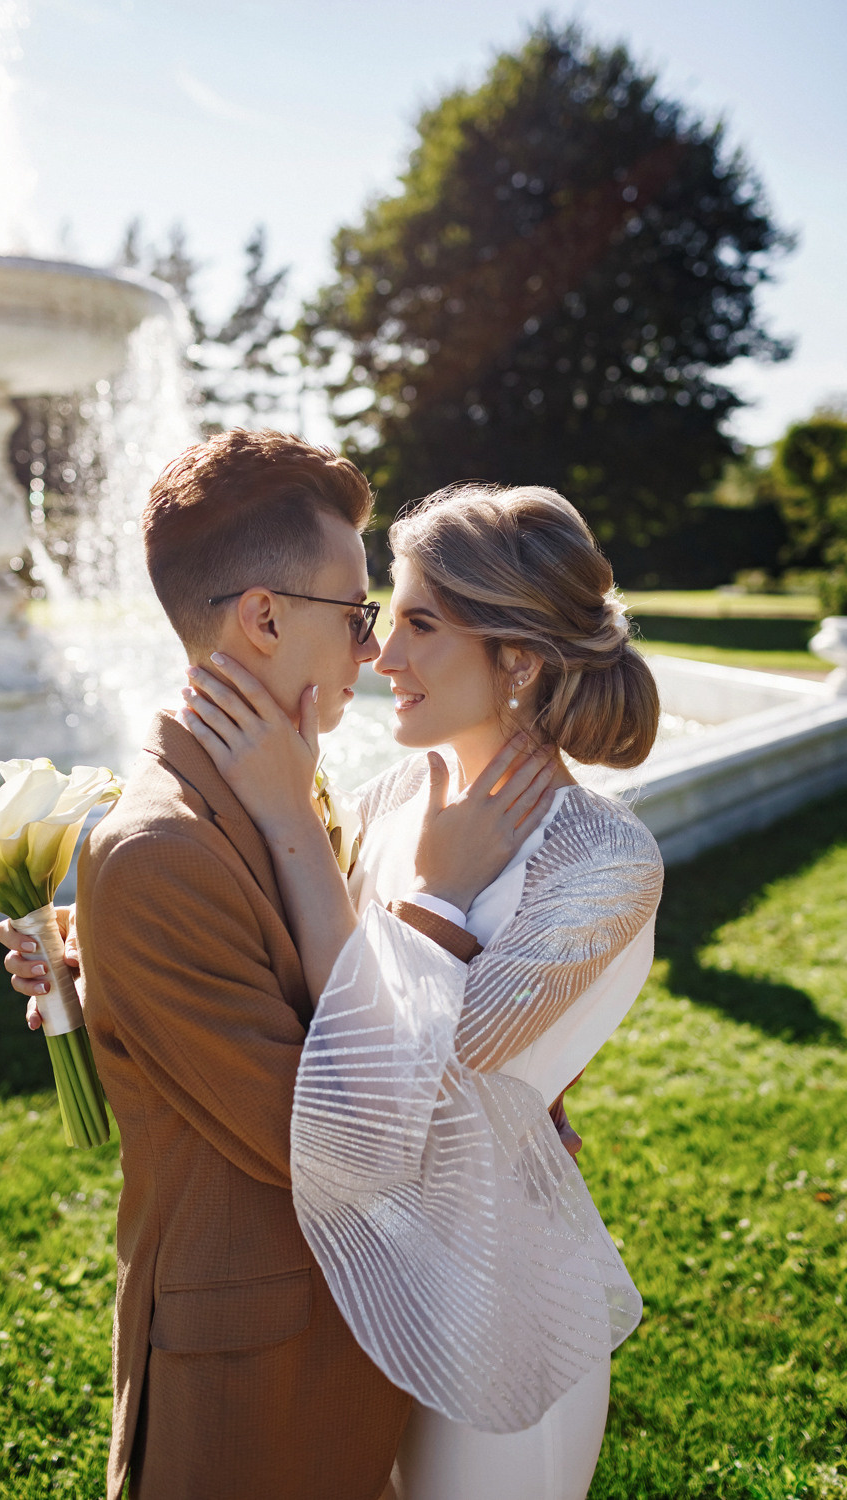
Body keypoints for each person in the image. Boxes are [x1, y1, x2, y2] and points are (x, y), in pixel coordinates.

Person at [0, 432, 564, 1500]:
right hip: (249, 1383)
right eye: (356, 618)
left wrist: (96, 957)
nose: (371, 651)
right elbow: (344, 1150)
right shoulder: (161, 849)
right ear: (263, 617)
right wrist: (438, 901)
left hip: (348, 1340)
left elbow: (304, 972)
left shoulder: (279, 789)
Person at [176, 482, 665, 1500]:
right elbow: (280, 962)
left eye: (419, 624)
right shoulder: (391, 798)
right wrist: (86, 959)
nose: (380, 657)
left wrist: (292, 823)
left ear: (518, 655)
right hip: (350, 1282)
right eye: (383, 620)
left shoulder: (602, 857)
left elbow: (416, 1085)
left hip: (498, 1305)